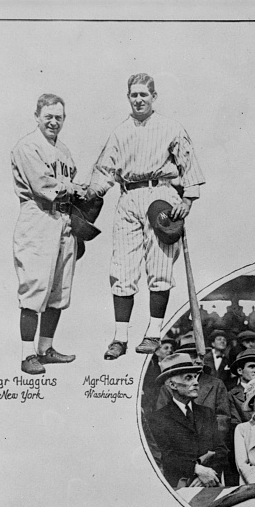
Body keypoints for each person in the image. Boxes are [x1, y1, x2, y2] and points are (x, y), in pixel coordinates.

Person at [87, 73, 204, 359]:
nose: (139, 99)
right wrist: (88, 192)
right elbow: (104, 173)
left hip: (160, 195)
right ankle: (120, 337)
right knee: (122, 268)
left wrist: (188, 199)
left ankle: (153, 333)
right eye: (134, 95)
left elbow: (188, 166)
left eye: (144, 95)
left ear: (153, 96)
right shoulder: (119, 132)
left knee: (160, 266)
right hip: (128, 196)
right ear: (128, 97)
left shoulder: (171, 128)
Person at [11, 93, 86, 375]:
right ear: (37, 117)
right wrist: (75, 188)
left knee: (59, 289)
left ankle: (46, 348)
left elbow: (70, 182)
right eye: (48, 117)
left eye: (59, 117)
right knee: (34, 287)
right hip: (38, 218)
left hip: (63, 219)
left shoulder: (64, 150)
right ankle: (26, 354)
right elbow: (44, 186)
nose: (54, 121)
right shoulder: (27, 146)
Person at [147, 353, 227, 488]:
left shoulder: (207, 413)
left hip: (211, 484)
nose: (196, 382)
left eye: (195, 377)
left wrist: (208, 475)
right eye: (188, 378)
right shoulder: (158, 418)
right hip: (178, 488)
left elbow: (221, 450)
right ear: (172, 384)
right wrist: (196, 470)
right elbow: (167, 457)